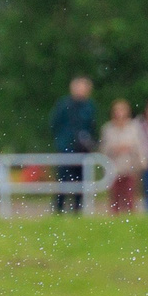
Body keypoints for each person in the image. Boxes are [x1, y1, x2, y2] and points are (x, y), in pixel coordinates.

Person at [49, 76, 99, 213]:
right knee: (63, 180)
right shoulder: (64, 104)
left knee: (80, 181)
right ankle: (58, 209)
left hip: (82, 149)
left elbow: (92, 127)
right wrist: (62, 141)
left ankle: (77, 209)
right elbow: (54, 124)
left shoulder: (89, 106)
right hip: (66, 148)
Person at [100, 99, 147, 215]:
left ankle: (130, 218)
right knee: (115, 196)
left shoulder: (134, 128)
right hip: (114, 167)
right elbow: (104, 148)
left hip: (130, 166)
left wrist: (141, 162)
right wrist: (115, 149)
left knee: (130, 196)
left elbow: (140, 146)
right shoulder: (108, 129)